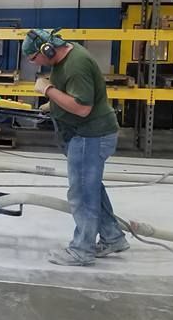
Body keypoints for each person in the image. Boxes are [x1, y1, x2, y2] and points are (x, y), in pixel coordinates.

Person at [22, 28, 127, 266]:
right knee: (92, 189)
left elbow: (82, 108)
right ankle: (113, 237)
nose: (33, 63)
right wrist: (54, 105)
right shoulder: (67, 55)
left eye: (33, 58)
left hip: (91, 136)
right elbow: (72, 95)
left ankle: (82, 250)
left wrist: (48, 90)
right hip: (87, 133)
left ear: (46, 49)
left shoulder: (76, 64)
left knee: (82, 193)